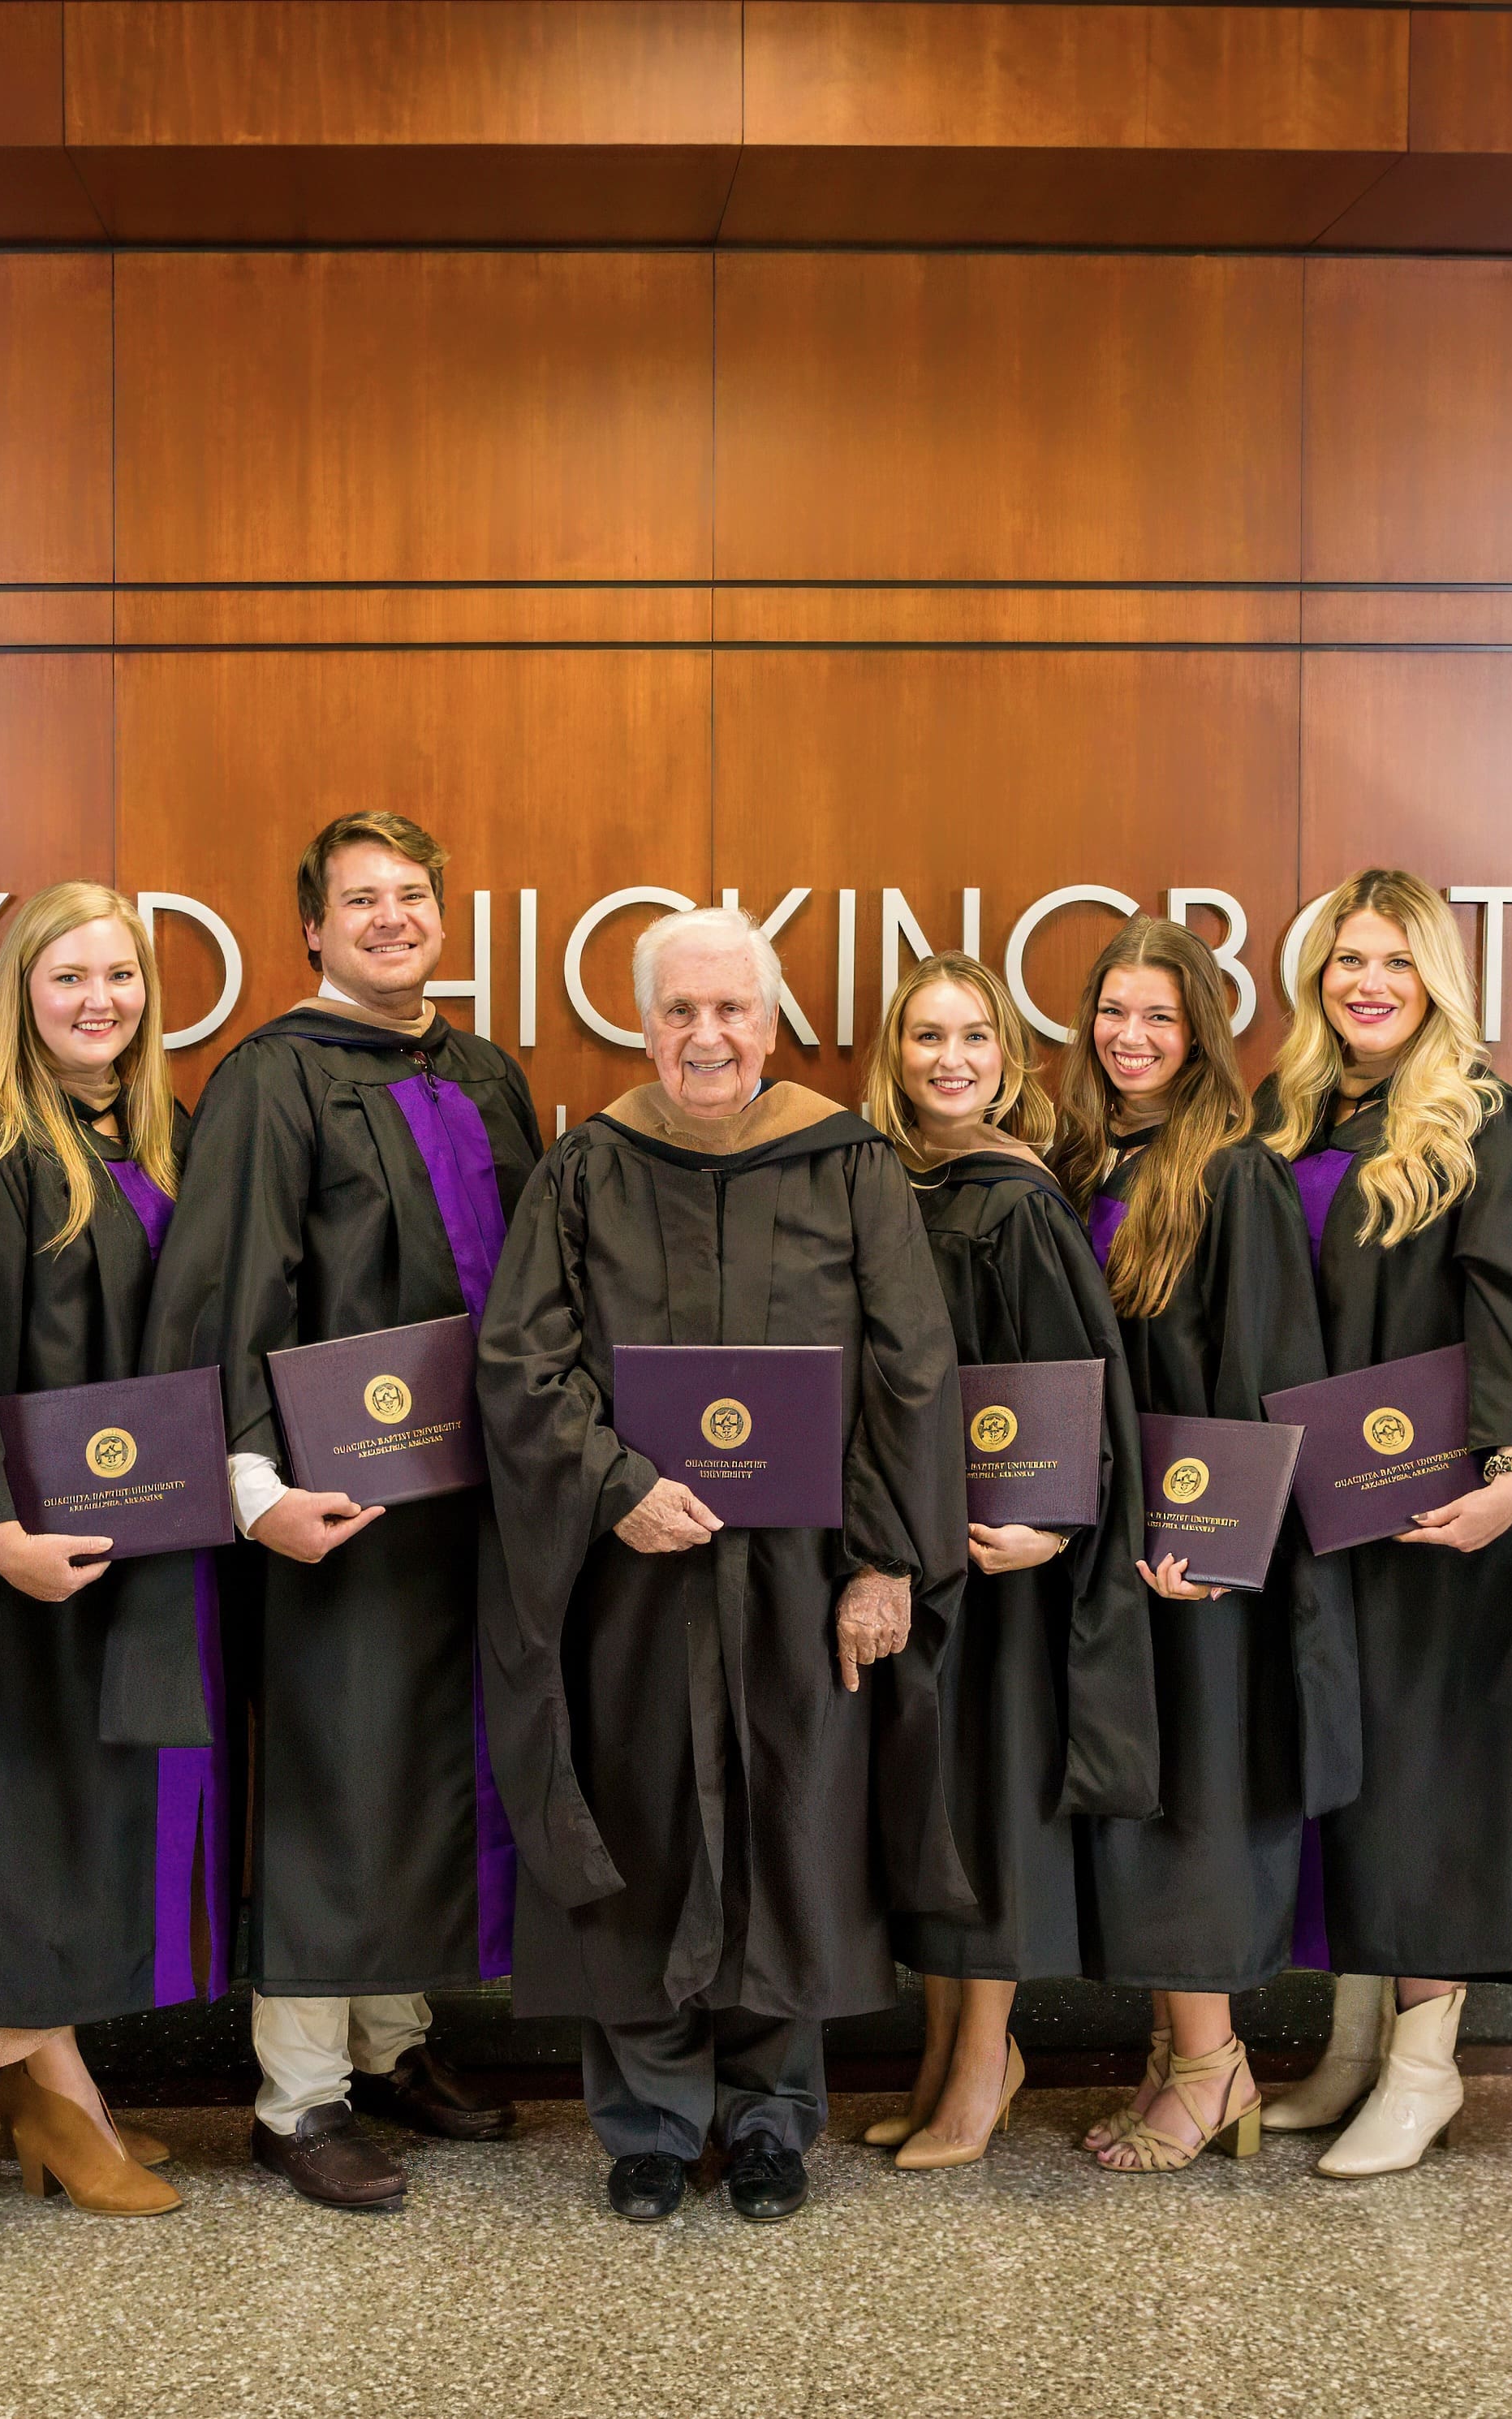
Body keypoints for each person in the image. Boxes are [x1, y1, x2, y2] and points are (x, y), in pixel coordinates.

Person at [475, 905, 971, 2225]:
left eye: (731, 1009)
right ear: (643, 1025)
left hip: (806, 1574)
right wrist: (614, 1486)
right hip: (634, 1574)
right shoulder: (587, 1166)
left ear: (771, 1019)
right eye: (680, 1011)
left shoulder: (845, 1160)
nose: (707, 1035)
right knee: (641, 1823)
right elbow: (523, 1361)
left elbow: (909, 1369)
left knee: (791, 1823)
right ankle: (646, 2122)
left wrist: (884, 1564)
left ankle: (767, 2120)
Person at [144, 814, 535, 2213]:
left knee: (428, 1763)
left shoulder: (483, 1070)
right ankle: (295, 2097)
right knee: (334, 1774)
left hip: (479, 1499)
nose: (389, 918)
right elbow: (227, 1287)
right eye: (358, 900)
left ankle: (394, 2045)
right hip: (335, 1499)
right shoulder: (271, 1077)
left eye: (411, 896)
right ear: (309, 927)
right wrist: (252, 1491)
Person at [1261, 873, 1512, 2179]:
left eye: (1394, 963)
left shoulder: (1485, 1119)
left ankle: (1424, 2069)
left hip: (1437, 1515)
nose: (1367, 983)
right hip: (1313, 1510)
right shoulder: (1290, 1113)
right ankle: (1353, 2043)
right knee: (1350, 1768)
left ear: (1436, 982)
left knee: (1426, 1783)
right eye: (1347, 960)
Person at [0, 884, 204, 2220]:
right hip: (18, 1556)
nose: (97, 1002)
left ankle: (50, 2083)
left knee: (81, 1808)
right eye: (68, 978)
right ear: (20, 990)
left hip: (130, 1530)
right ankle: (50, 2101)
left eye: (118, 976)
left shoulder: (152, 1133)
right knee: (17, 1817)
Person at [853, 954, 1157, 2174]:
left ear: (1008, 1056)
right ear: (894, 1054)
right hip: (901, 1547)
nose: (949, 1060)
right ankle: (939, 2057)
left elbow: (1083, 1383)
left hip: (997, 1558)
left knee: (981, 1798)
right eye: (925, 1036)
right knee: (924, 1793)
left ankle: (984, 2059)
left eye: (973, 1037)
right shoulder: (873, 1182)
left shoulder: (1015, 1198)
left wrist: (1058, 1521)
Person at [1049, 917, 1339, 2176]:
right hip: (1100, 1542)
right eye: (1114, 1011)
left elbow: (1265, 1377)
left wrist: (1215, 1543)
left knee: (1195, 1803)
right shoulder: (1071, 1157)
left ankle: (1215, 2064)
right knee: (1136, 1801)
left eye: (1159, 1017)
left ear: (1201, 1034)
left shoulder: (1230, 1169)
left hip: (1195, 1554)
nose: (1132, 1036)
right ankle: (1178, 2058)